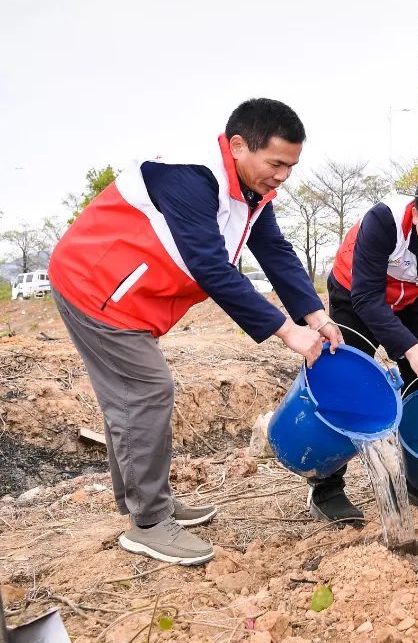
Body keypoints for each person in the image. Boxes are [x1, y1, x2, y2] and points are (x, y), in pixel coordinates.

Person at [48, 99, 342, 566]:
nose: (283, 176)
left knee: (132, 397)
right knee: (146, 391)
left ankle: (151, 504)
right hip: (96, 286)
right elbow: (210, 266)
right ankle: (148, 523)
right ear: (240, 145)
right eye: (276, 163)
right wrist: (288, 331)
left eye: (291, 166)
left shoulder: (250, 190)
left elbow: (275, 250)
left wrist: (317, 316)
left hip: (133, 296)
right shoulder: (189, 176)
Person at [319, 176, 418, 521]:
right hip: (355, 294)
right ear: (416, 213)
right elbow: (366, 298)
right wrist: (410, 348)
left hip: (414, 299)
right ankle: (326, 487)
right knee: (349, 385)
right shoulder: (384, 220)